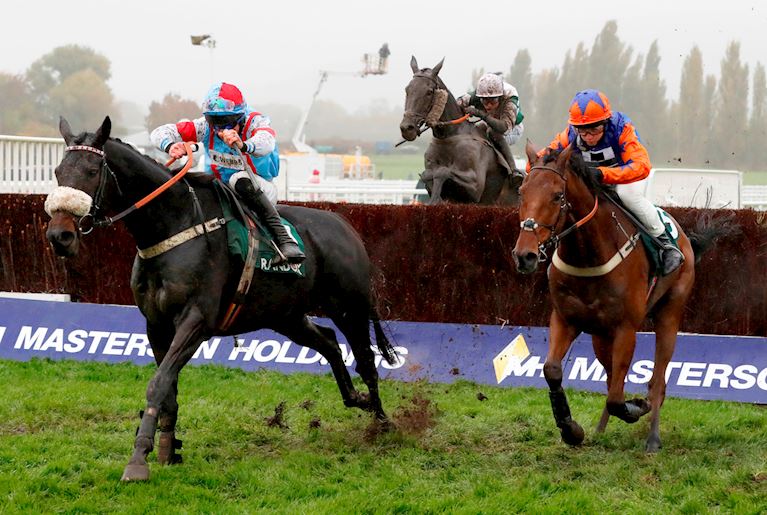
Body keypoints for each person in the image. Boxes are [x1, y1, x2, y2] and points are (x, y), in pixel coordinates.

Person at [150, 82, 304, 264]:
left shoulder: (256, 122)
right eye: (214, 121)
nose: (220, 129)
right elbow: (159, 132)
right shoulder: (204, 127)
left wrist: (244, 145)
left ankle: (285, 240)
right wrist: (170, 145)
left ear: (240, 116)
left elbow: (267, 142)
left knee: (239, 180)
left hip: (257, 188)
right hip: (221, 189)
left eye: (227, 122)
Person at [542, 88, 683, 275]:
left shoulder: (622, 129)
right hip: (593, 181)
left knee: (628, 196)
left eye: (594, 129)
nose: (588, 136)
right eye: (583, 130)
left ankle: (666, 245)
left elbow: (642, 166)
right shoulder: (570, 135)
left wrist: (603, 174)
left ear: (606, 122)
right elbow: (541, 160)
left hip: (626, 178)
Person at [457, 72, 525, 182]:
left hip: (513, 129)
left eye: (493, 101)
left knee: (493, 133)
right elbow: (458, 103)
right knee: (475, 130)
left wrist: (480, 114)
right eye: (485, 100)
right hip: (490, 123)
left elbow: (503, 127)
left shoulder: (510, 98)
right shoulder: (477, 94)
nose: (488, 105)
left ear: (500, 97)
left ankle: (513, 170)